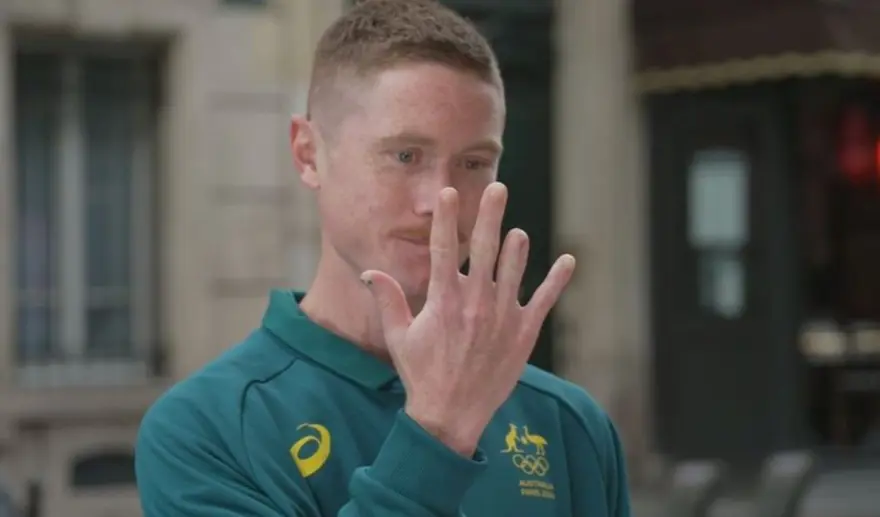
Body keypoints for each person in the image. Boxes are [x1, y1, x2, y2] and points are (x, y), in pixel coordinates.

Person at [134, 0, 632, 515]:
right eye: (405, 156)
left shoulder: (567, 423)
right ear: (308, 154)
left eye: (473, 162)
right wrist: (438, 434)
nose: (440, 199)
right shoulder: (206, 430)